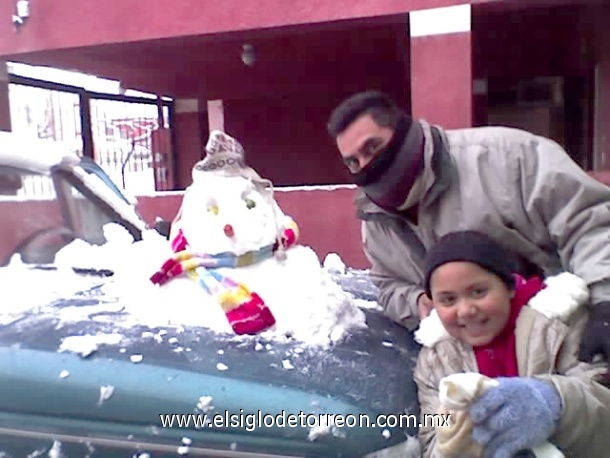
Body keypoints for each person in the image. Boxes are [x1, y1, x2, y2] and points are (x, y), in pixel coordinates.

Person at [326, 90, 610, 366]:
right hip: (473, 368)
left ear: (401, 132)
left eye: (372, 148)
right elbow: (388, 284)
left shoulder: (507, 158)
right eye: (353, 161)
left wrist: (604, 300)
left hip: (569, 344)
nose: (366, 165)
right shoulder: (375, 219)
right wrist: (418, 302)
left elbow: (590, 220)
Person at [413, 231, 610, 458]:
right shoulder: (435, 360)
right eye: (448, 300)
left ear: (509, 287)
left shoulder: (560, 325)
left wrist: (554, 403)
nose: (465, 310)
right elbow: (430, 438)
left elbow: (602, 407)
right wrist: (451, 446)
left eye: (478, 292)